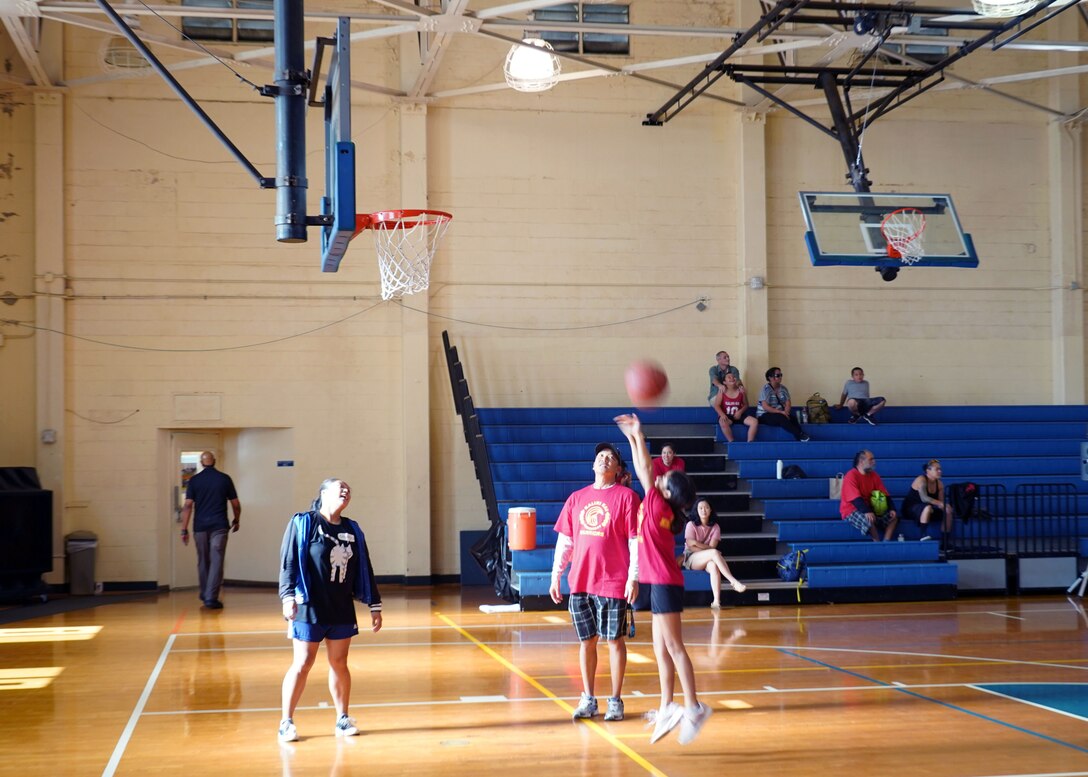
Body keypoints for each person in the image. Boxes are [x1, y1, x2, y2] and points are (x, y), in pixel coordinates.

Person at [615, 413, 712, 746]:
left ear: (668, 491)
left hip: (666, 585)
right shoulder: (664, 504)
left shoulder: (658, 505)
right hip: (660, 583)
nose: (659, 476)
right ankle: (667, 705)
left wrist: (638, 436)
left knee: (674, 647)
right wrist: (632, 438)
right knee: (660, 648)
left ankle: (695, 707)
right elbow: (646, 469)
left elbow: (643, 468)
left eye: (665, 477)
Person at [278, 479, 382, 743]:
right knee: (303, 663)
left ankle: (342, 719)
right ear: (324, 494)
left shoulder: (352, 528)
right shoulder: (304, 523)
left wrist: (374, 604)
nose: (346, 491)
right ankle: (286, 722)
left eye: (349, 488)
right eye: (340, 488)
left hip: (341, 606)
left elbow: (364, 566)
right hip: (309, 606)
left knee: (339, 663)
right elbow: (288, 561)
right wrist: (287, 596)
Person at [550, 441, 641, 723]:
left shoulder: (627, 498)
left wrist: (633, 577)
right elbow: (565, 541)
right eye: (600, 456)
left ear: (617, 469)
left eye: (610, 458)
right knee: (586, 641)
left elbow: (635, 541)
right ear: (593, 465)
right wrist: (556, 574)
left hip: (613, 581)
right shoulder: (576, 499)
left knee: (614, 641)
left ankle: (615, 700)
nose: (604, 460)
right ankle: (588, 698)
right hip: (581, 581)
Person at [179, 451, 241, 609]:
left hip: (200, 527)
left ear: (201, 462)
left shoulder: (194, 481)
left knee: (203, 560)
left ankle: (205, 592)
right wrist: (236, 519)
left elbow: (187, 506)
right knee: (217, 560)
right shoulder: (224, 479)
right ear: (214, 461)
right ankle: (211, 597)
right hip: (219, 526)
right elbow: (235, 504)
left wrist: (184, 529)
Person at [684, 499, 746, 608]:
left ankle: (716, 601)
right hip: (691, 558)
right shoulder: (691, 524)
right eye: (701, 508)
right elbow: (691, 547)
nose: (703, 510)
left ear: (711, 509)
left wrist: (697, 543)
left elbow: (711, 547)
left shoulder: (715, 527)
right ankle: (733, 581)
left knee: (713, 566)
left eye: (706, 507)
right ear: (696, 510)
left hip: (708, 557)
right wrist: (708, 551)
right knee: (714, 553)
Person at [840, 450, 899, 541]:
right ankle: (877, 544)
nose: (874, 462)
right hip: (851, 510)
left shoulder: (874, 475)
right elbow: (855, 499)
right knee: (869, 519)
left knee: (894, 518)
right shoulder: (851, 475)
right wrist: (867, 511)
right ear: (861, 461)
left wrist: (892, 508)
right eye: (871, 459)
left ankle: (886, 542)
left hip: (870, 507)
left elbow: (884, 493)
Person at [902, 459, 953, 542]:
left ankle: (945, 542)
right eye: (937, 469)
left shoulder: (939, 483)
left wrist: (945, 507)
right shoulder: (921, 479)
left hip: (928, 509)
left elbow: (941, 501)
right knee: (928, 507)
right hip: (912, 509)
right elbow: (924, 498)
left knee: (948, 510)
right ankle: (923, 535)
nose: (940, 471)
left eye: (940, 469)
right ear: (928, 470)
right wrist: (940, 503)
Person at [756, 368, 810, 442]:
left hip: (780, 413)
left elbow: (788, 402)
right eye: (778, 375)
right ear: (770, 377)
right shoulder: (766, 389)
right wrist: (781, 412)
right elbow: (765, 407)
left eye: (781, 375)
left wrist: (786, 412)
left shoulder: (783, 388)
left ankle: (800, 438)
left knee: (793, 418)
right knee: (780, 418)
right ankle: (800, 434)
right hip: (764, 415)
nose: (780, 377)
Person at [707, 351, 743, 437]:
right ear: (718, 359)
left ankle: (731, 419)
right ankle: (725, 419)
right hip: (717, 395)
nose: (728, 358)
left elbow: (738, 381)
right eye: (725, 357)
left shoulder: (733, 369)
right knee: (719, 402)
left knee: (741, 394)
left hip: (731, 396)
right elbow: (714, 380)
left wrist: (740, 386)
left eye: (728, 356)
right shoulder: (713, 369)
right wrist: (720, 385)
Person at [718, 372, 759, 443]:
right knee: (723, 422)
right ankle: (732, 441)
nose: (732, 378)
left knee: (754, 421)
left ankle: (750, 441)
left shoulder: (741, 391)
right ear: (724, 382)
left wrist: (740, 412)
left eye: (733, 377)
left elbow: (746, 404)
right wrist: (722, 415)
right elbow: (716, 405)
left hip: (739, 415)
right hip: (727, 416)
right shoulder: (722, 392)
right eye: (729, 377)